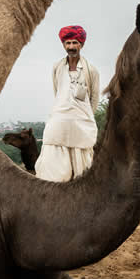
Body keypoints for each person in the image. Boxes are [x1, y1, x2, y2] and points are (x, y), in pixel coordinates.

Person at [36, 25, 100, 181]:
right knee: (52, 156)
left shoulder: (91, 70)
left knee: (82, 167)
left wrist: (84, 116)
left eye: (75, 43)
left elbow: (94, 99)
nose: (71, 47)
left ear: (81, 45)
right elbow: (57, 92)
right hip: (59, 120)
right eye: (68, 43)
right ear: (64, 45)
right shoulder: (57, 67)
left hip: (81, 122)